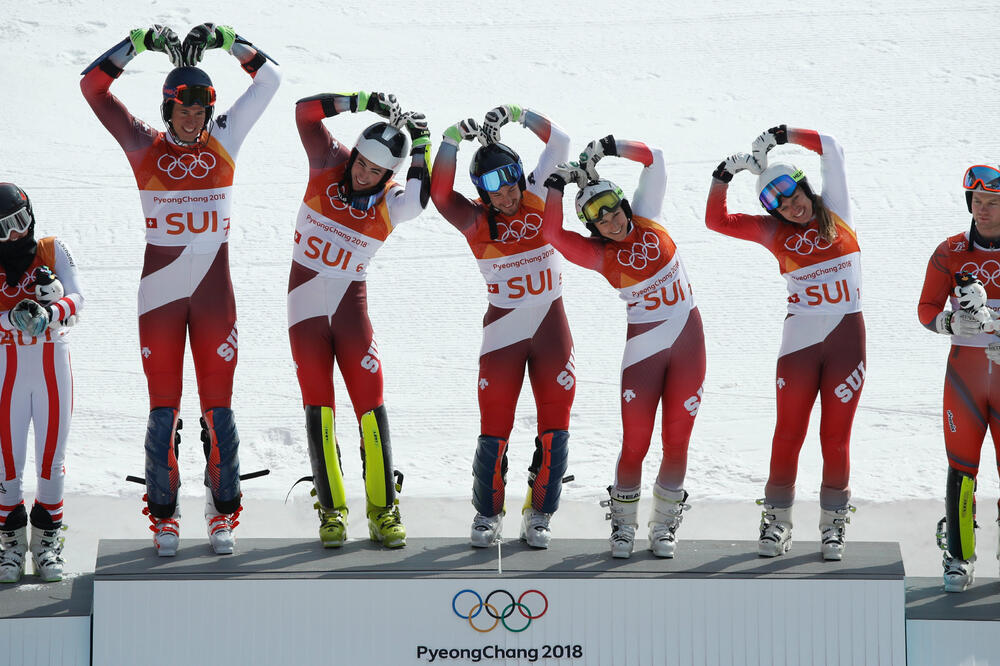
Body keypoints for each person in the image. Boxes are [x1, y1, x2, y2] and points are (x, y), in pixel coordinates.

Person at [80, 23, 281, 556]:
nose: (191, 121)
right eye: (182, 111)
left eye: (199, 112)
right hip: (160, 298)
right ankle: (164, 517)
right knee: (163, 411)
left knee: (220, 413)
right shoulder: (143, 145)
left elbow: (271, 80)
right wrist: (139, 44)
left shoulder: (225, 139)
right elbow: (93, 89)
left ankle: (222, 512)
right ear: (167, 109)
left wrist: (231, 39)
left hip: (215, 295)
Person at [540, 136, 705, 559]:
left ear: (624, 203)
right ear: (592, 229)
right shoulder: (598, 255)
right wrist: (556, 185)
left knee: (677, 441)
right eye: (600, 219)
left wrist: (610, 147)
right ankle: (623, 526)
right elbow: (551, 232)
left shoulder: (648, 216)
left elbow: (657, 158)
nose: (611, 220)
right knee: (636, 441)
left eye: (613, 207)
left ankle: (664, 525)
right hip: (644, 352)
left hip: (688, 343)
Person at [706, 125, 864, 560]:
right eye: (777, 205)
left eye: (793, 195)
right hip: (799, 345)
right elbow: (715, 221)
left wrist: (780, 135)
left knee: (835, 439)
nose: (791, 208)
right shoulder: (771, 232)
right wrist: (724, 175)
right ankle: (776, 522)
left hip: (846, 340)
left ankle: (833, 526)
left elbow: (831, 147)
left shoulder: (836, 209)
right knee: (788, 434)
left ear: (805, 187)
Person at [289, 90, 431, 549]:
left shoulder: (392, 201)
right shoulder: (328, 163)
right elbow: (304, 114)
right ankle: (331, 510)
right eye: (361, 165)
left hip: (351, 313)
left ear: (388, 175)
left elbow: (421, 199)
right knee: (320, 410)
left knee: (370, 408)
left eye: (376, 173)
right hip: (305, 313)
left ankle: (383, 508)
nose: (364, 176)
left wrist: (425, 147)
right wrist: (360, 101)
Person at [430, 105, 572, 549]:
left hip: (551, 328)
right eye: (496, 194)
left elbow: (560, 143)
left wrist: (517, 114)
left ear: (520, 178)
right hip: (503, 333)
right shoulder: (474, 219)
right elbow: (438, 194)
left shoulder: (537, 192)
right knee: (495, 426)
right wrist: (451, 138)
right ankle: (487, 513)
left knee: (556, 426)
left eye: (511, 187)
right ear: (482, 195)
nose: (507, 199)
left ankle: (541, 513)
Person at [918, 164, 1000, 592]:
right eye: (976, 201)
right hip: (965, 381)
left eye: (991, 202)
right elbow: (926, 307)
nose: (981, 210)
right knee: (961, 470)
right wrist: (947, 323)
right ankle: (958, 556)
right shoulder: (950, 250)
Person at [0, 183, 83, 583]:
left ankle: (46, 545)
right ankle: (11, 548)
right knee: (6, 464)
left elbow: (79, 298)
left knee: (51, 461)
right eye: (4, 228)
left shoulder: (52, 248)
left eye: (20, 221)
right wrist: (11, 319)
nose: (16, 234)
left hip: (52, 365)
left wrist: (52, 311)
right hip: (6, 372)